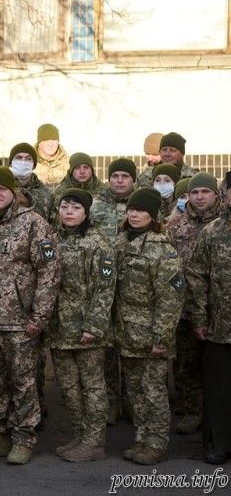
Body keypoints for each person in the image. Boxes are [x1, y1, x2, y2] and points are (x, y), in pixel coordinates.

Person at [0, 166, 61, 465]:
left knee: (23, 382)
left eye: (1, 190)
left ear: (13, 192)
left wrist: (39, 316)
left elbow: (50, 271)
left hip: (21, 321)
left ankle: (23, 437)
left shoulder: (33, 223)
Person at [113, 188, 183, 466]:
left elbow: (171, 299)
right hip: (127, 334)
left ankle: (156, 444)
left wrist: (161, 339)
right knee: (135, 392)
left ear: (153, 216)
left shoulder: (161, 249)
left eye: (141, 210)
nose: (134, 214)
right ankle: (142, 439)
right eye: (131, 209)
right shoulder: (121, 243)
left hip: (151, 335)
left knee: (153, 392)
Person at [47, 189, 115, 463]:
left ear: (86, 213)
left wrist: (94, 326)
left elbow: (105, 289)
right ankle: (80, 435)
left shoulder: (98, 244)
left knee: (93, 386)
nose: (69, 212)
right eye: (65, 206)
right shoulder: (51, 239)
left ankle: (95, 442)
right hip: (59, 329)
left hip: (87, 331)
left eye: (76, 207)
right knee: (69, 388)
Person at [166, 173, 223, 436]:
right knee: (186, 363)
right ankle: (192, 410)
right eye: (195, 192)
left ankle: (217, 413)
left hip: (221, 307)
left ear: (216, 194)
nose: (200, 197)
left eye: (205, 192)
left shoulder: (225, 223)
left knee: (217, 366)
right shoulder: (175, 226)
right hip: (185, 305)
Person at [185, 172, 231, 465]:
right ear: (225, 194)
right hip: (222, 328)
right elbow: (197, 276)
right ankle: (219, 443)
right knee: (219, 390)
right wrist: (200, 317)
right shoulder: (213, 232)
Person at [89, 157, 138, 425]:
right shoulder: (96, 206)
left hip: (134, 287)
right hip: (103, 285)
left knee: (131, 346)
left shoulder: (143, 204)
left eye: (125, 176)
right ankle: (111, 401)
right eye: (115, 176)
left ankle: (133, 400)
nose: (119, 180)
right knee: (106, 348)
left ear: (133, 179)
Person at [8, 143, 54, 220]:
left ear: (33, 165)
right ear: (11, 163)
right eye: (19, 158)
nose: (23, 162)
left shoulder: (46, 194)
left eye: (28, 159)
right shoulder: (2, 190)